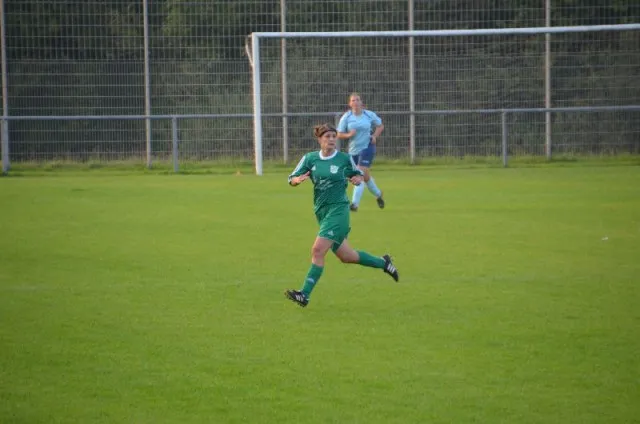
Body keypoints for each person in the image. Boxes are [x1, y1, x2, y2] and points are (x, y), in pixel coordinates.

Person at [285, 123, 399, 307]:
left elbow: (359, 176)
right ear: (319, 139)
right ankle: (383, 263)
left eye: (333, 136)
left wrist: (357, 179)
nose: (331, 139)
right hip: (322, 212)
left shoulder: (344, 159)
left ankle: (304, 294)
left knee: (317, 250)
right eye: (327, 136)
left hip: (339, 211)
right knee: (347, 256)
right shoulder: (310, 159)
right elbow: (291, 178)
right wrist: (296, 180)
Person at [337, 92, 385, 212]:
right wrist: (349, 135)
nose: (356, 102)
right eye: (353, 100)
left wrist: (374, 136)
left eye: (357, 100)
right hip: (353, 150)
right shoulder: (347, 117)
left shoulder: (368, 114)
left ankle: (354, 204)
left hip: (367, 147)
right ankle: (379, 194)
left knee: (359, 174)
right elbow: (339, 134)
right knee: (365, 177)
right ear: (350, 104)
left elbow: (380, 126)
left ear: (361, 102)